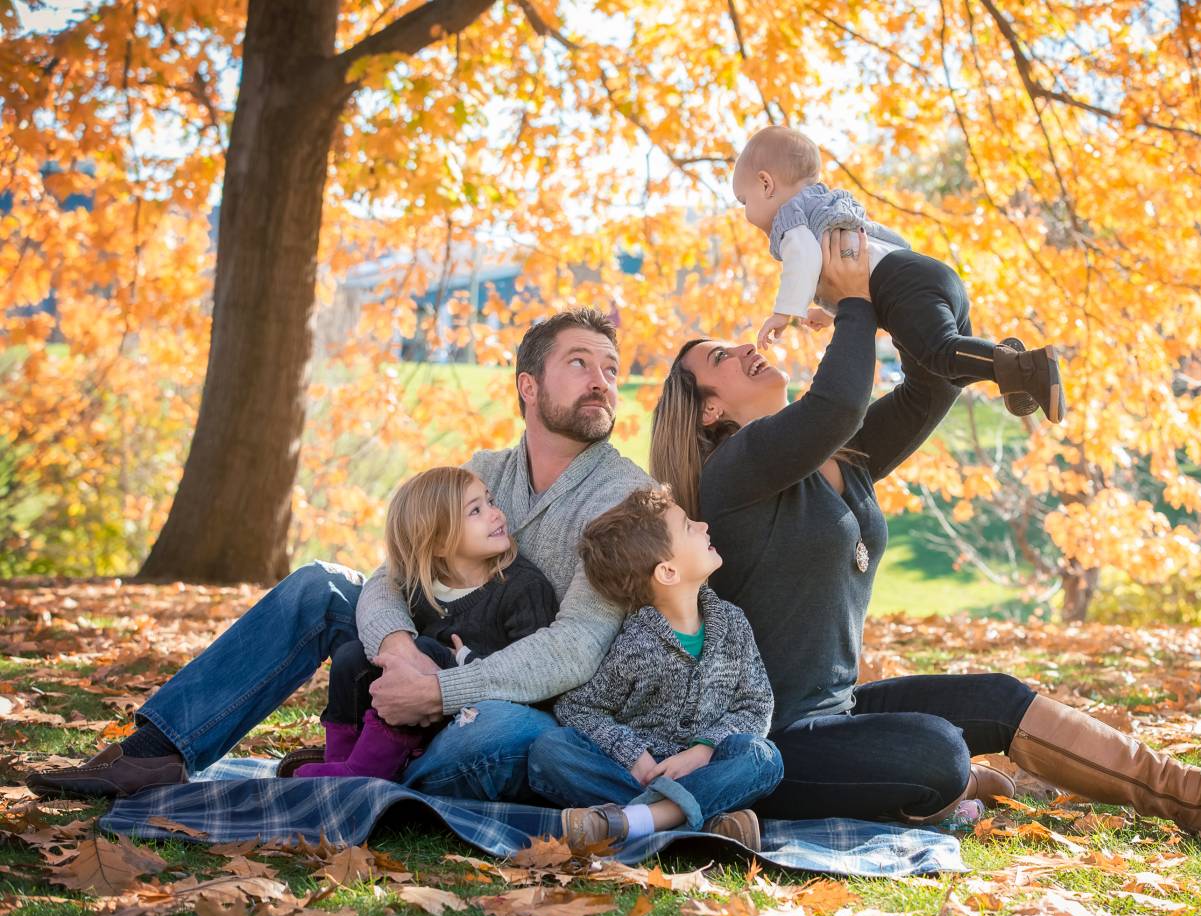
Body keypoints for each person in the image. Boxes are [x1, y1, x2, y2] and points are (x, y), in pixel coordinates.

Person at [648, 228, 1201, 834]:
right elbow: (837, 401)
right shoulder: (733, 473)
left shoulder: (840, 456)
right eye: (720, 357)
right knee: (938, 754)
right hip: (769, 744)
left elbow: (933, 385)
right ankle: (931, 789)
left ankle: (1194, 794)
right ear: (709, 408)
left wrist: (903, 290)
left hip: (836, 714)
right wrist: (853, 302)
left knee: (999, 698)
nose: (745, 348)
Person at [27, 309, 651, 801]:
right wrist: (397, 648)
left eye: (611, 369)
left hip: (519, 699)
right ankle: (154, 752)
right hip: (429, 650)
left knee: (505, 734)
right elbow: (398, 571)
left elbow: (578, 646)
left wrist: (442, 690)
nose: (602, 381)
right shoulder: (486, 470)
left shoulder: (623, 494)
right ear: (529, 386)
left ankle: (366, 774)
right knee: (319, 585)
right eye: (579, 362)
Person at [733, 125, 1064, 423]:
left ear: (766, 183)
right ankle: (1008, 363)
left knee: (940, 353)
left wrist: (784, 313)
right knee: (943, 372)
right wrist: (830, 312)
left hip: (901, 285)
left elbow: (802, 258)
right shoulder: (828, 206)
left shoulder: (791, 220)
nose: (746, 212)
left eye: (744, 200)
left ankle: (1024, 367)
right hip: (921, 271)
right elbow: (867, 259)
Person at [527, 486, 782, 852]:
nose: (704, 525)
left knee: (763, 757)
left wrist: (703, 750)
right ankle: (705, 821)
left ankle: (633, 822)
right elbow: (578, 708)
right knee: (551, 750)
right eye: (689, 526)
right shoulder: (635, 641)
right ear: (667, 571)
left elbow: (756, 705)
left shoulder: (733, 624)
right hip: (640, 774)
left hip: (706, 768)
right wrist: (635, 758)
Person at [291, 466, 557, 780]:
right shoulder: (422, 588)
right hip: (417, 716)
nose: (496, 514)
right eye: (476, 510)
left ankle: (366, 770)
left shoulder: (523, 588)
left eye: (490, 501)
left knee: (426, 650)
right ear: (440, 543)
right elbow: (382, 601)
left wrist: (465, 661)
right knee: (351, 656)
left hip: (478, 714)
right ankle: (342, 758)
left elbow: (535, 671)